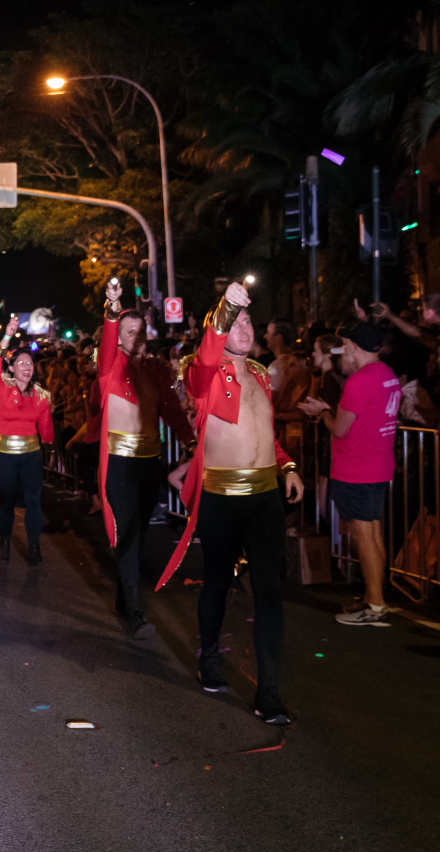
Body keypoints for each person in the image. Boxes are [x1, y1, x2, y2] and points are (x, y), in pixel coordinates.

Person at [156, 282, 304, 725]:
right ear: (217, 329)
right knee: (217, 583)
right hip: (220, 497)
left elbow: (266, 434)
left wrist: (288, 465)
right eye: (234, 321)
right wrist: (227, 304)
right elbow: (205, 354)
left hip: (265, 498)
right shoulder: (201, 373)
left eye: (247, 320)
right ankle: (209, 660)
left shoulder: (260, 373)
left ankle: (270, 692)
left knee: (271, 594)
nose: (244, 326)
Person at [98, 280, 195, 639]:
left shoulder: (157, 369)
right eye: (127, 331)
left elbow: (171, 409)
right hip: (119, 464)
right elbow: (108, 339)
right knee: (130, 532)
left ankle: (126, 598)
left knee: (136, 537)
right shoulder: (109, 366)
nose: (134, 336)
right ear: (119, 336)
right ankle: (134, 611)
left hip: (149, 462)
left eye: (139, 331)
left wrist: (189, 439)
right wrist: (112, 308)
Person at [299, 323, 401, 626]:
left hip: (356, 467)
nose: (341, 350)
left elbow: (340, 429)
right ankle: (375, 595)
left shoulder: (360, 380)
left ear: (354, 347)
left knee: (363, 535)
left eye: (344, 344)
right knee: (373, 532)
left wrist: (322, 412)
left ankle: (375, 603)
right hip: (379, 464)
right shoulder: (387, 375)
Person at [0, 318, 54, 564]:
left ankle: (34, 546)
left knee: (34, 501)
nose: (26, 366)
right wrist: (7, 336)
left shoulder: (42, 396)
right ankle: (4, 542)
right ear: (11, 368)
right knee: (7, 501)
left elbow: (46, 430)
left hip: (32, 456)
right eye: (21, 363)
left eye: (30, 363)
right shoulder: (0, 388)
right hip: (4, 455)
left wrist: (49, 444)